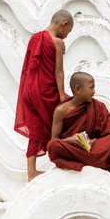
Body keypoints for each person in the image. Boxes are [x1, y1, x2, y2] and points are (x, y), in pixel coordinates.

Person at [14, 10, 73, 181]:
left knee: (36, 128)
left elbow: (28, 67)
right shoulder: (57, 42)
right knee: (65, 121)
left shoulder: (35, 38)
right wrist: (62, 95)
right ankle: (64, 162)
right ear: (63, 24)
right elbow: (58, 71)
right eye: (68, 31)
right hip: (46, 91)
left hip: (30, 90)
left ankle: (31, 171)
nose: (67, 36)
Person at [47, 72, 110, 181]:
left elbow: (109, 133)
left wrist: (91, 142)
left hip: (93, 149)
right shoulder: (61, 111)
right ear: (78, 89)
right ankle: (100, 164)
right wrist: (71, 140)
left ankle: (89, 163)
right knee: (52, 145)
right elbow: (54, 139)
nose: (94, 91)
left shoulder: (98, 107)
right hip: (73, 150)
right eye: (91, 88)